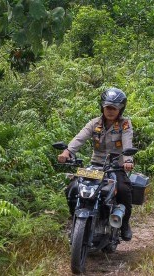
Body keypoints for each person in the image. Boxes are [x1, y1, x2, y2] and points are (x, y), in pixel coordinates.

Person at [57, 87, 134, 241]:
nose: (110, 111)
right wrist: (67, 152)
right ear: (102, 107)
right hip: (95, 166)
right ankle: (76, 220)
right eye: (108, 108)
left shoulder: (125, 124)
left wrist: (128, 161)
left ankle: (124, 224)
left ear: (120, 109)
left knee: (124, 190)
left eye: (114, 108)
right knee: (73, 189)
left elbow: (127, 142)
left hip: (115, 166)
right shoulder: (94, 123)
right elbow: (80, 138)